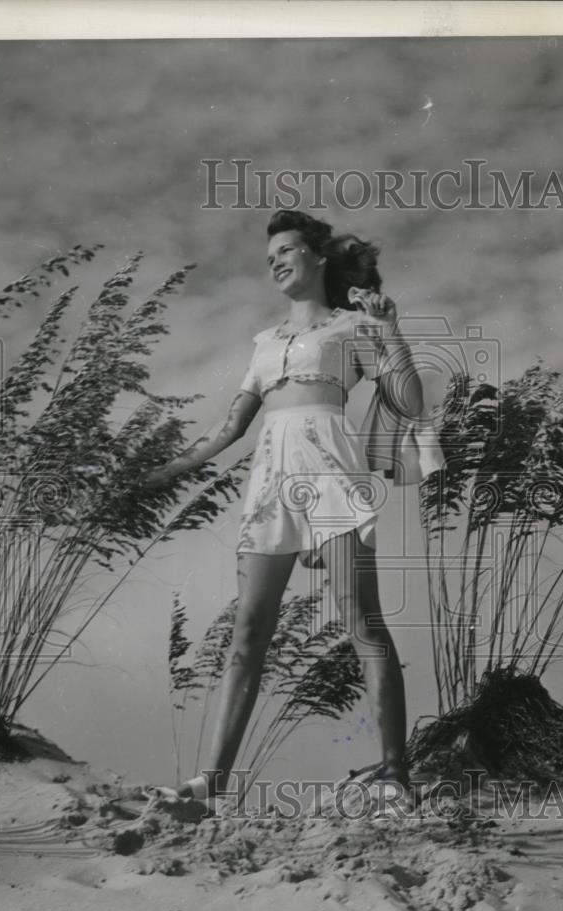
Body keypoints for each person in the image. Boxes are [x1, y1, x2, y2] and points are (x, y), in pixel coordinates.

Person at [144, 209, 444, 801]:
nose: (276, 261)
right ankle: (212, 781)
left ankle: (394, 771)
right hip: (270, 485)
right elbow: (228, 430)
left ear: (319, 257)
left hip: (332, 476)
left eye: (287, 249)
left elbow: (408, 401)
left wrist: (390, 330)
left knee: (362, 621)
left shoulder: (353, 326)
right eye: (269, 256)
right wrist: (167, 471)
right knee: (248, 630)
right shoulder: (263, 343)